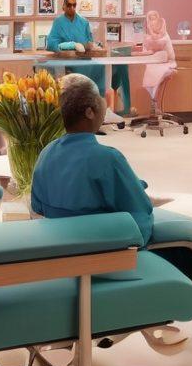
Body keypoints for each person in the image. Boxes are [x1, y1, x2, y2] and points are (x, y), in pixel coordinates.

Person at [31, 74, 153, 242]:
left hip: (59, 247)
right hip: (101, 251)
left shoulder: (46, 153)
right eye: (100, 98)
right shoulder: (108, 158)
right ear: (89, 112)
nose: (104, 103)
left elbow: (38, 206)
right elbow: (140, 213)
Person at [46, 0, 107, 96]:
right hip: (67, 66)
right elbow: (51, 43)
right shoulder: (58, 22)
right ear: (63, 6)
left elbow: (90, 43)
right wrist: (69, 46)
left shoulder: (84, 22)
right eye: (69, 5)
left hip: (85, 64)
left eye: (74, 5)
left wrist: (89, 46)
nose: (72, 8)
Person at [142, 10, 176, 100]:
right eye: (150, 21)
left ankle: (155, 101)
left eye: (154, 20)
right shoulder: (148, 37)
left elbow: (157, 46)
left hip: (166, 62)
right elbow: (149, 50)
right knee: (149, 70)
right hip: (155, 62)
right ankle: (154, 101)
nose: (153, 23)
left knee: (156, 72)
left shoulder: (164, 37)